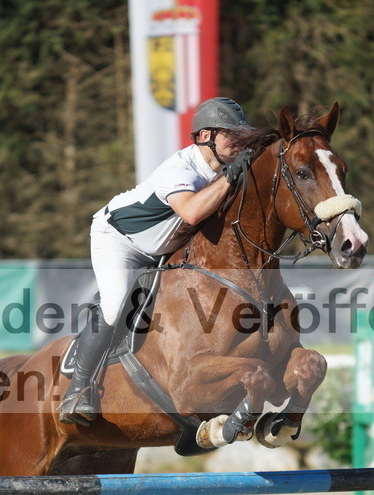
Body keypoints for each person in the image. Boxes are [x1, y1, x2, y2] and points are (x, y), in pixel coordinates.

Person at [59, 97, 257, 425]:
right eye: (231, 136)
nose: (240, 142)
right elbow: (193, 211)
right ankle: (78, 391)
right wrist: (230, 178)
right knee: (116, 302)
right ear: (205, 135)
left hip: (164, 246)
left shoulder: (224, 171)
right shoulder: (179, 168)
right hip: (120, 240)